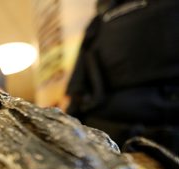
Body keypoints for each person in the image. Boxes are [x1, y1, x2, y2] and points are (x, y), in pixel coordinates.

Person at [66, 0, 179, 154]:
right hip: (115, 131)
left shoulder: (102, 18)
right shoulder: (101, 19)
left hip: (113, 133)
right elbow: (79, 89)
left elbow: (79, 89)